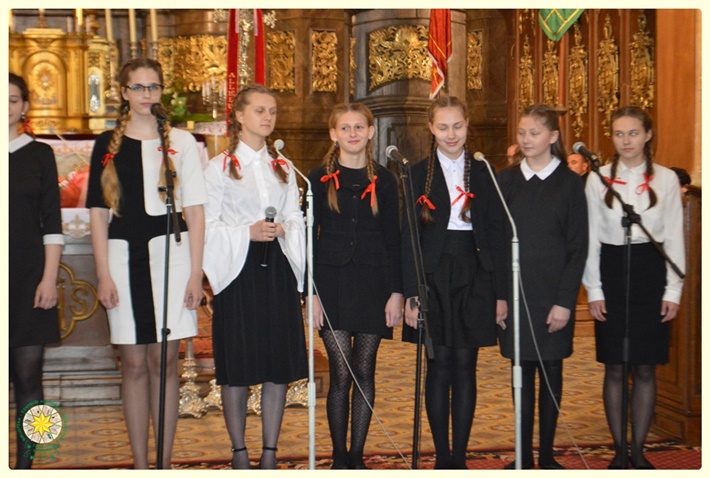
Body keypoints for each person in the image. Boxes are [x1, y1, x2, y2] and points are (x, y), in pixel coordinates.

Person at [86, 58, 206, 469]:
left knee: (165, 360)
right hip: (122, 260)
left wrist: (195, 274)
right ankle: (140, 465)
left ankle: (164, 464)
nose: (145, 94)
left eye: (152, 87)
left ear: (161, 91)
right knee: (134, 363)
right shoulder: (107, 144)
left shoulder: (181, 142)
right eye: (137, 87)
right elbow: (98, 214)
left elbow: (196, 211)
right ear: (123, 92)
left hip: (171, 257)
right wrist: (102, 274)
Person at [202, 84, 307, 470]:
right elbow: (207, 225)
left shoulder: (284, 167)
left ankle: (269, 452)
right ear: (239, 116)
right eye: (260, 110)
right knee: (238, 363)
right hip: (238, 272)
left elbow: (295, 216)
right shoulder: (218, 168)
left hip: (276, 268)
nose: (267, 117)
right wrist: (246, 232)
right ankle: (239, 452)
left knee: (277, 362)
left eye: (272, 111)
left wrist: (285, 229)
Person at [401, 96, 508, 469]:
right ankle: (442, 457)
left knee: (465, 365)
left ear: (467, 126)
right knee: (438, 364)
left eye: (457, 126)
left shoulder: (484, 171)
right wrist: (412, 292)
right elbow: (408, 238)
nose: (451, 134)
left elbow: (496, 235)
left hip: (475, 274)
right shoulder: (417, 174)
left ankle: (459, 457)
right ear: (431, 128)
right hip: (433, 276)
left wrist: (501, 294)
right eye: (443, 127)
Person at [583, 106, 685, 470]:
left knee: (644, 367)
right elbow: (591, 238)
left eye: (633, 133)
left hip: (650, 272)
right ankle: (618, 450)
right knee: (614, 366)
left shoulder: (666, 179)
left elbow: (674, 237)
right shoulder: (598, 179)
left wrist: (672, 291)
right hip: (612, 270)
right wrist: (594, 289)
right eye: (619, 134)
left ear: (648, 135)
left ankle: (638, 451)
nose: (626, 141)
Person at [307, 103, 403, 469]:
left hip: (373, 283)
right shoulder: (318, 178)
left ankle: (357, 457)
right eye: (345, 128)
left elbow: (394, 238)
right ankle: (339, 457)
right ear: (334, 134)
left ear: (370, 132)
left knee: (364, 370)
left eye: (359, 127)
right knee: (341, 371)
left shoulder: (387, 180)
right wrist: (311, 293)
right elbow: (308, 239)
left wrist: (396, 291)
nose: (352, 133)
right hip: (331, 283)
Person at [497, 104, 588, 469]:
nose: (526, 139)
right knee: (521, 373)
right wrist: (500, 297)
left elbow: (578, 247)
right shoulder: (505, 180)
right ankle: (522, 455)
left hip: (553, 297)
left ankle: (547, 456)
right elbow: (496, 244)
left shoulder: (569, 183)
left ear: (552, 136)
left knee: (551, 372)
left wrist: (565, 301)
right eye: (522, 133)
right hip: (516, 296)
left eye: (534, 133)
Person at [9, 73, 64, 469]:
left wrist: (49, 278)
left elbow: (52, 221)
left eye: (13, 100)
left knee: (30, 379)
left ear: (25, 106)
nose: (6, 107)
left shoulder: (40, 154)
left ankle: (28, 465)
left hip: (29, 277)